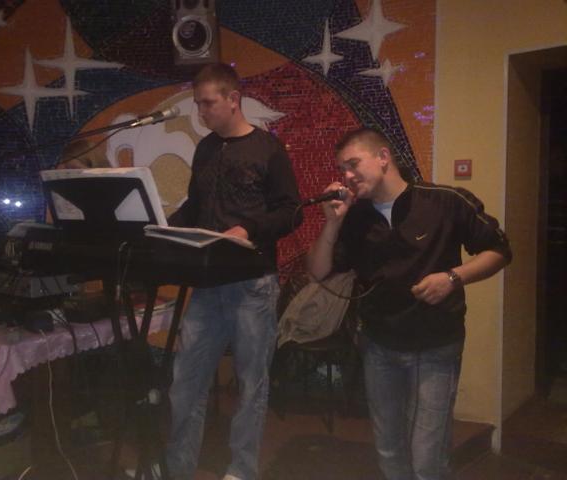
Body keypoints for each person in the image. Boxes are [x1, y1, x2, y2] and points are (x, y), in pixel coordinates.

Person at [306, 127, 512, 480]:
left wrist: (453, 277)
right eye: (342, 169)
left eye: (353, 164)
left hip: (436, 346)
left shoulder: (444, 201)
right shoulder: (355, 217)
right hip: (379, 346)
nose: (347, 176)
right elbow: (318, 272)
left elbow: (500, 250)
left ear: (383, 157)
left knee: (427, 456)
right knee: (388, 447)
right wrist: (332, 224)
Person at [157, 63, 302, 480]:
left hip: (252, 283)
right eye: (198, 104)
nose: (201, 112)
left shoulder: (268, 148)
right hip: (207, 284)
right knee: (186, 382)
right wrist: (164, 226)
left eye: (207, 103)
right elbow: (195, 206)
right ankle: (178, 469)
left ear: (233, 99)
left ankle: (241, 471)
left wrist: (250, 228)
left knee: (251, 385)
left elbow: (291, 212)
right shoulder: (205, 148)